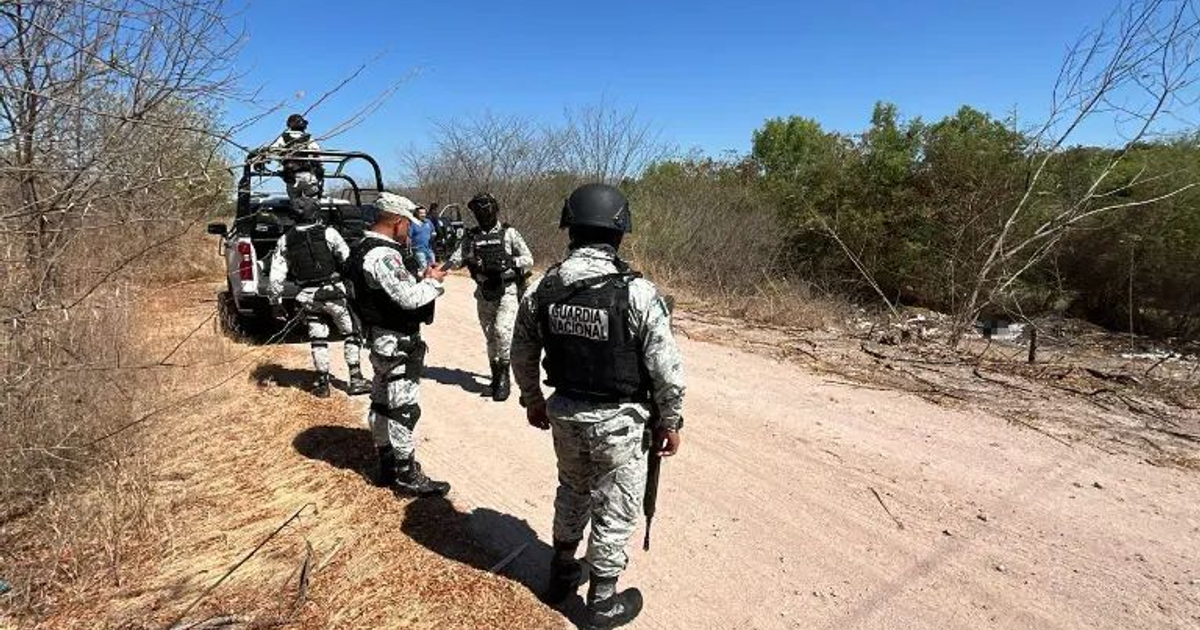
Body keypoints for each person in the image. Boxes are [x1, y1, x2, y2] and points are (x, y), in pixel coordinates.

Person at [510, 183, 685, 629]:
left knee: (572, 490)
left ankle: (561, 572)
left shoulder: (543, 287)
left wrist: (533, 401)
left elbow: (521, 352)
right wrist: (670, 420)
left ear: (570, 229)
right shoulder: (639, 293)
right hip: (619, 422)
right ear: (619, 232)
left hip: (565, 413)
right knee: (616, 507)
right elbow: (666, 368)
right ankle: (602, 603)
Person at [346, 192, 451, 497]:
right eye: (408, 224)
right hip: (397, 342)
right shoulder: (383, 255)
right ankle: (406, 474)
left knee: (381, 403)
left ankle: (386, 465)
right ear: (397, 221)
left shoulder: (360, 249)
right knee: (403, 408)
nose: (410, 230)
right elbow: (408, 298)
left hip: (380, 339)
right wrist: (433, 282)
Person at [267, 197, 371, 398]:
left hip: (308, 296)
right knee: (351, 333)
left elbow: (276, 276)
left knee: (318, 338)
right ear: (316, 213)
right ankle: (356, 378)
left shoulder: (285, 240)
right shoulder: (329, 233)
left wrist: (275, 303)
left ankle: (322, 383)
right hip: (334, 293)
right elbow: (347, 259)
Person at [446, 192, 534, 402]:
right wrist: (441, 269)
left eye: (486, 209)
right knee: (490, 336)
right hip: (484, 291)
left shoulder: (509, 233)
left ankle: (504, 378)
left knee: (503, 332)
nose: (483, 214)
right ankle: (495, 377)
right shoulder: (471, 236)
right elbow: (456, 259)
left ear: (494, 209)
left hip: (507, 288)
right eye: (479, 210)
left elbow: (528, 259)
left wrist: (508, 262)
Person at [268, 113, 323, 200]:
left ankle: (296, 210)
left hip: (291, 176)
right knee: (311, 202)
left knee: (295, 203)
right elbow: (317, 151)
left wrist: (281, 156)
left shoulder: (283, 137)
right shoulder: (307, 138)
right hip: (307, 176)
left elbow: (272, 149)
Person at [409, 204, 437, 269]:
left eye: (424, 213)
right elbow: (409, 237)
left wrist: (433, 235)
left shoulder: (428, 222)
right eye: (421, 213)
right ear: (417, 214)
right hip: (418, 249)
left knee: (433, 267)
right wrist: (409, 249)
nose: (423, 215)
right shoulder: (413, 223)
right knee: (424, 267)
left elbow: (433, 231)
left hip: (429, 249)